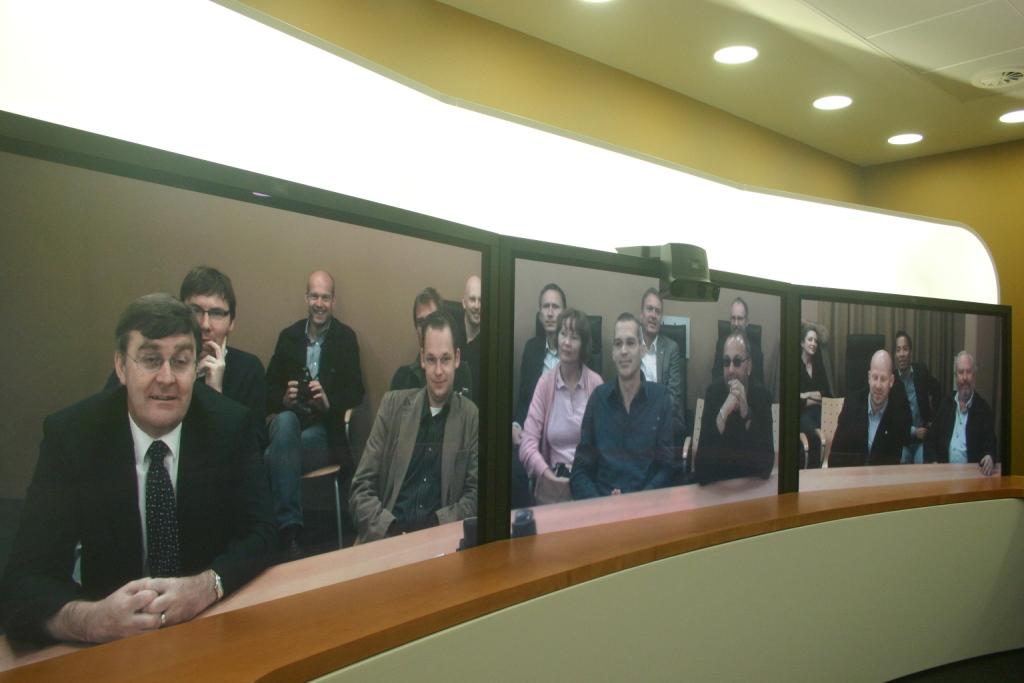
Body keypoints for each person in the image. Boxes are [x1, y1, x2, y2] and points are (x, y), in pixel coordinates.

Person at [0, 294, 274, 644]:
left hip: (206, 629)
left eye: (181, 361)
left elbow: (263, 533)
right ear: (120, 366)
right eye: (149, 359)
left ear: (196, 367)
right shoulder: (73, 437)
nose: (166, 378)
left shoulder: (230, 425)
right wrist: (89, 619)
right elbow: (23, 580)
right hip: (110, 643)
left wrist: (207, 586)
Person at [350, 311, 478, 544]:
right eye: (431, 359)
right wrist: (390, 529)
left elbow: (475, 498)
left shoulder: (471, 418)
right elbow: (361, 488)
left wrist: (434, 528)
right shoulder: (392, 407)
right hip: (386, 539)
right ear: (422, 359)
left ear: (457, 359)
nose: (438, 371)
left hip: (440, 544)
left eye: (445, 359)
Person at [264, 270, 365, 557]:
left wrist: (328, 402)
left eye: (325, 297)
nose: (319, 303)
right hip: (291, 423)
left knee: (270, 458)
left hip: (324, 433)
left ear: (333, 301)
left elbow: (357, 390)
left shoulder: (346, 338)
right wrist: (284, 399)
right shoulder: (288, 337)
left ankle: (284, 534)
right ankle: (291, 531)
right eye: (314, 296)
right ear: (306, 298)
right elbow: (266, 390)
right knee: (283, 422)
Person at [103, 266, 267, 439]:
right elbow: (105, 424)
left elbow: (252, 447)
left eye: (216, 313)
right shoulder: (141, 361)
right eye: (195, 311)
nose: (205, 324)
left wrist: (214, 394)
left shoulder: (248, 368)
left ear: (231, 322)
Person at [570, 313, 679, 498]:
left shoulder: (660, 399)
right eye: (618, 344)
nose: (623, 351)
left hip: (646, 510)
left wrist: (636, 502)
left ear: (642, 349)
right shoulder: (598, 400)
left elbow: (667, 468)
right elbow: (579, 472)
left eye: (630, 343)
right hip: (602, 512)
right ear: (612, 352)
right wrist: (601, 504)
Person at [519, 309, 603, 504]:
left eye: (574, 337)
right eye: (563, 334)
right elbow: (527, 442)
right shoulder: (545, 384)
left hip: (589, 485)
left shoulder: (596, 384)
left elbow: (605, 443)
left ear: (583, 345)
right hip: (553, 485)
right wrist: (546, 473)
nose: (566, 342)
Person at [695, 332, 774, 484]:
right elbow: (701, 470)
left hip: (750, 488)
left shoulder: (762, 396)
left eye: (737, 362)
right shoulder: (713, 393)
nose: (730, 369)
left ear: (749, 366)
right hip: (718, 488)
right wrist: (722, 414)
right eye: (726, 362)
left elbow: (766, 467)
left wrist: (746, 415)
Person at [829, 350, 910, 468]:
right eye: (875, 377)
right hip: (852, 479)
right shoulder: (851, 405)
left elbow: (893, 465)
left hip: (881, 482)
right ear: (868, 378)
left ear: (891, 381)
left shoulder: (898, 415)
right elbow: (836, 456)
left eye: (883, 379)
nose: (878, 385)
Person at [390, 287, 473, 398]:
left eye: (432, 319)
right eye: (421, 322)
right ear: (416, 329)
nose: (426, 327)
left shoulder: (461, 372)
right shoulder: (402, 378)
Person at [927, 351, 997, 476]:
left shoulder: (983, 409)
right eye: (961, 372)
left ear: (974, 376)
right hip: (944, 474)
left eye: (968, 372)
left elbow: (991, 443)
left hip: (972, 476)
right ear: (955, 377)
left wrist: (989, 456)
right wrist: (934, 463)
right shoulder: (945, 404)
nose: (964, 377)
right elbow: (930, 441)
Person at [513, 283, 566, 443]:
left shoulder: (575, 350)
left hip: (566, 437)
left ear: (564, 313)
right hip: (535, 435)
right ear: (540, 315)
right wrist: (516, 425)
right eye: (546, 307)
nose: (550, 313)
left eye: (555, 307)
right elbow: (524, 399)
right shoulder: (531, 349)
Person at [638, 288, 686, 444]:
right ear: (641, 314)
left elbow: (673, 398)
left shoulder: (671, 348)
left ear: (661, 317)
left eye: (657, 311)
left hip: (665, 420)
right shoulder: (630, 345)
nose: (653, 315)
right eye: (649, 309)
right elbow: (624, 389)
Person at [891, 331, 942, 465]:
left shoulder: (921, 372)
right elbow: (891, 421)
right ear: (895, 355)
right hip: (903, 441)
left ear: (911, 352)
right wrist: (914, 432)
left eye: (905, 349)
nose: (902, 354)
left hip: (922, 440)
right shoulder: (891, 381)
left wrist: (933, 419)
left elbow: (938, 390)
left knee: (923, 468)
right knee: (902, 468)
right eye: (898, 350)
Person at [798, 324, 831, 468]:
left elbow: (826, 394)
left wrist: (806, 395)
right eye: (810, 339)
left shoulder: (818, 364)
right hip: (802, 416)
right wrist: (813, 397)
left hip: (820, 414)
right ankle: (811, 475)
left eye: (816, 341)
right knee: (815, 439)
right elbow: (794, 401)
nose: (813, 343)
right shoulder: (795, 365)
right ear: (802, 343)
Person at [711, 297, 764, 385]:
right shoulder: (721, 345)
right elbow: (715, 377)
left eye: (739, 319)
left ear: (746, 322)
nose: (736, 323)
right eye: (733, 318)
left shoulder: (756, 352)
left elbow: (759, 385)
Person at [461, 275, 482, 402]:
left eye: (480, 300)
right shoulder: (450, 332)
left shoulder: (490, 344)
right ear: (464, 303)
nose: (477, 305)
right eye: (472, 299)